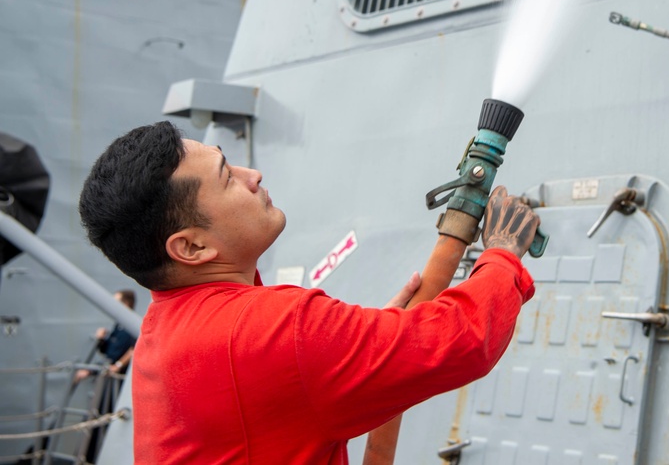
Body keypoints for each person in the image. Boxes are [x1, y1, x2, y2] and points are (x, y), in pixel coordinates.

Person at [78, 121, 539, 464]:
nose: (252, 174)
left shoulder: (166, 328)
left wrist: (374, 343)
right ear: (192, 246)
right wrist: (501, 254)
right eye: (226, 175)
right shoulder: (275, 331)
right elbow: (462, 341)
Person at [72, 289, 137, 385]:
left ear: (125, 304)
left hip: (119, 381)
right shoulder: (119, 326)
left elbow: (133, 350)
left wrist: (118, 365)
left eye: (115, 301)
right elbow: (108, 352)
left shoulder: (133, 326)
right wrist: (101, 339)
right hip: (110, 378)